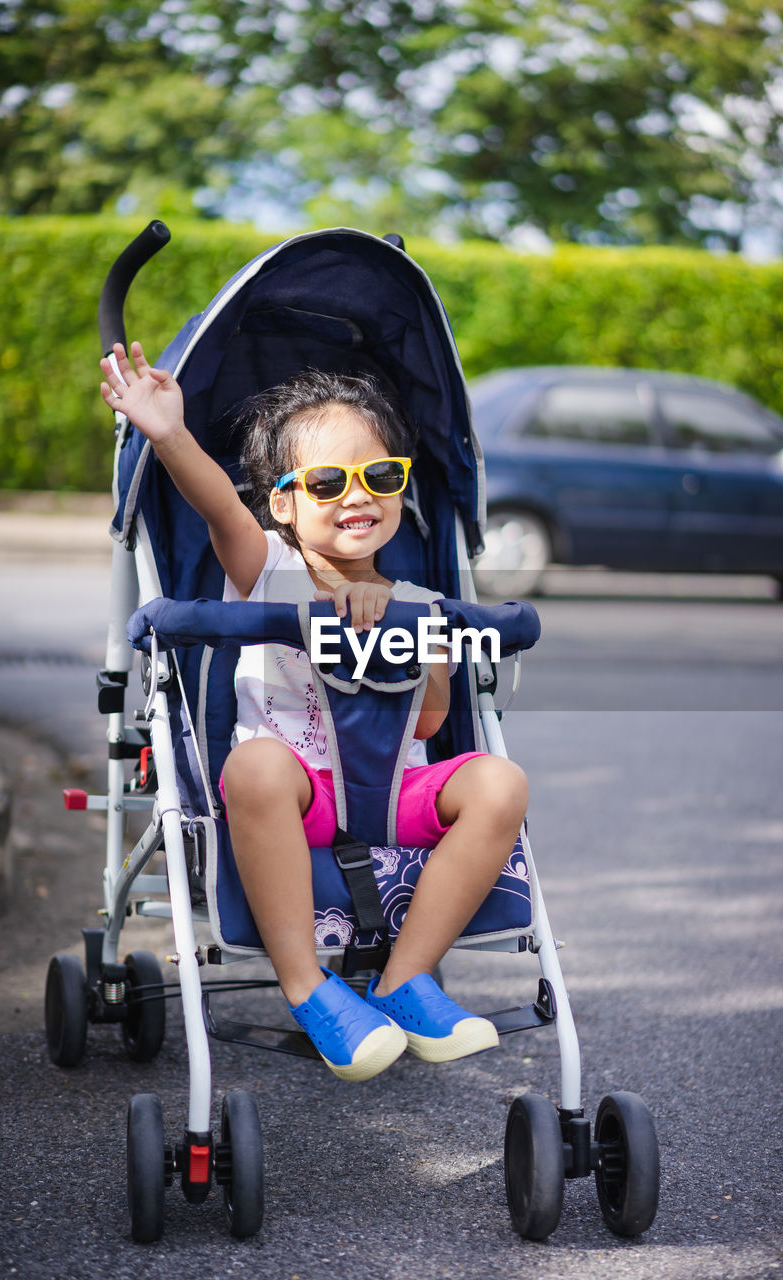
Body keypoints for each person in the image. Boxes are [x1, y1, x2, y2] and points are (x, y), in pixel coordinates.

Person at [100, 342, 529, 1082]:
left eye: (380, 476)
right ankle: (308, 985)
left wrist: (425, 643)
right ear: (285, 504)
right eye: (328, 481)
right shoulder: (265, 566)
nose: (357, 495)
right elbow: (217, 504)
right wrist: (167, 433)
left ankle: (404, 978)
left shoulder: (425, 605)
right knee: (257, 763)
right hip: (297, 796)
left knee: (500, 782)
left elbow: (428, 728)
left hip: (392, 793)